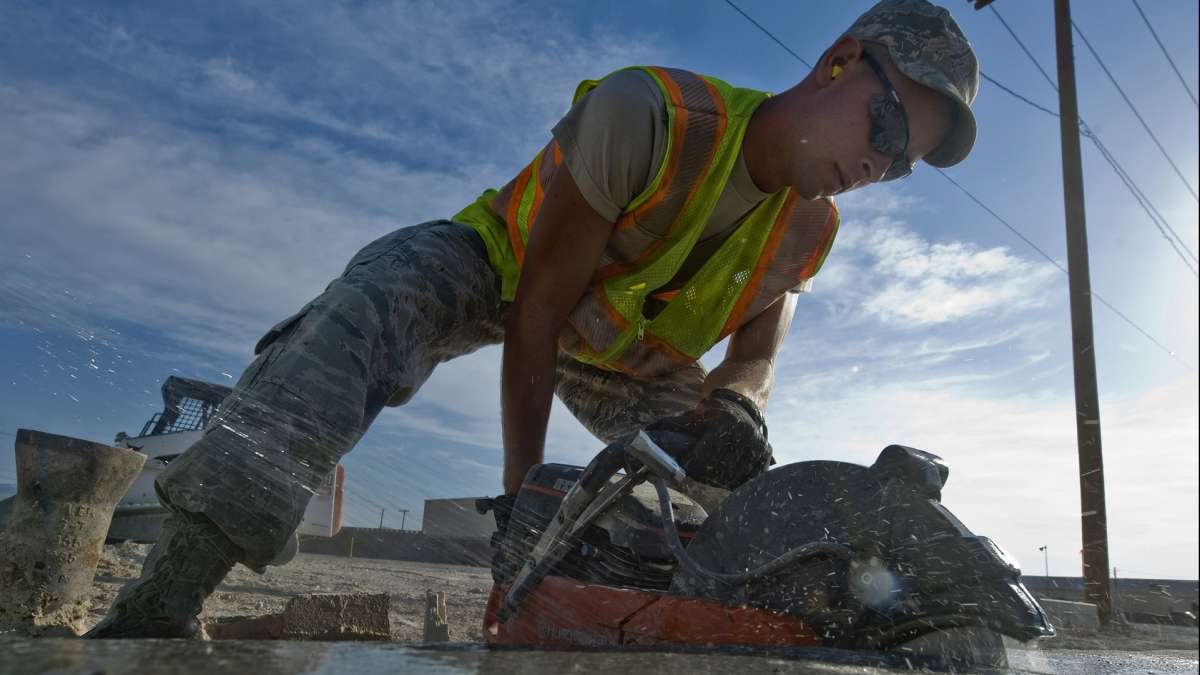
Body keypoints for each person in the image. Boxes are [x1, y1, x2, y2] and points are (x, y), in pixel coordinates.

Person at [85, 0, 979, 639]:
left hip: (627, 355)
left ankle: (691, 626)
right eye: (889, 133)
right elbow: (540, 310)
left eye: (906, 166)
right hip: (502, 275)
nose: (880, 167)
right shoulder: (652, 116)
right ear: (838, 63)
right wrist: (520, 506)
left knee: (733, 492)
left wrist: (738, 406)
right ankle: (162, 596)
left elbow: (758, 344)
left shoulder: (813, 225)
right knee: (365, 310)